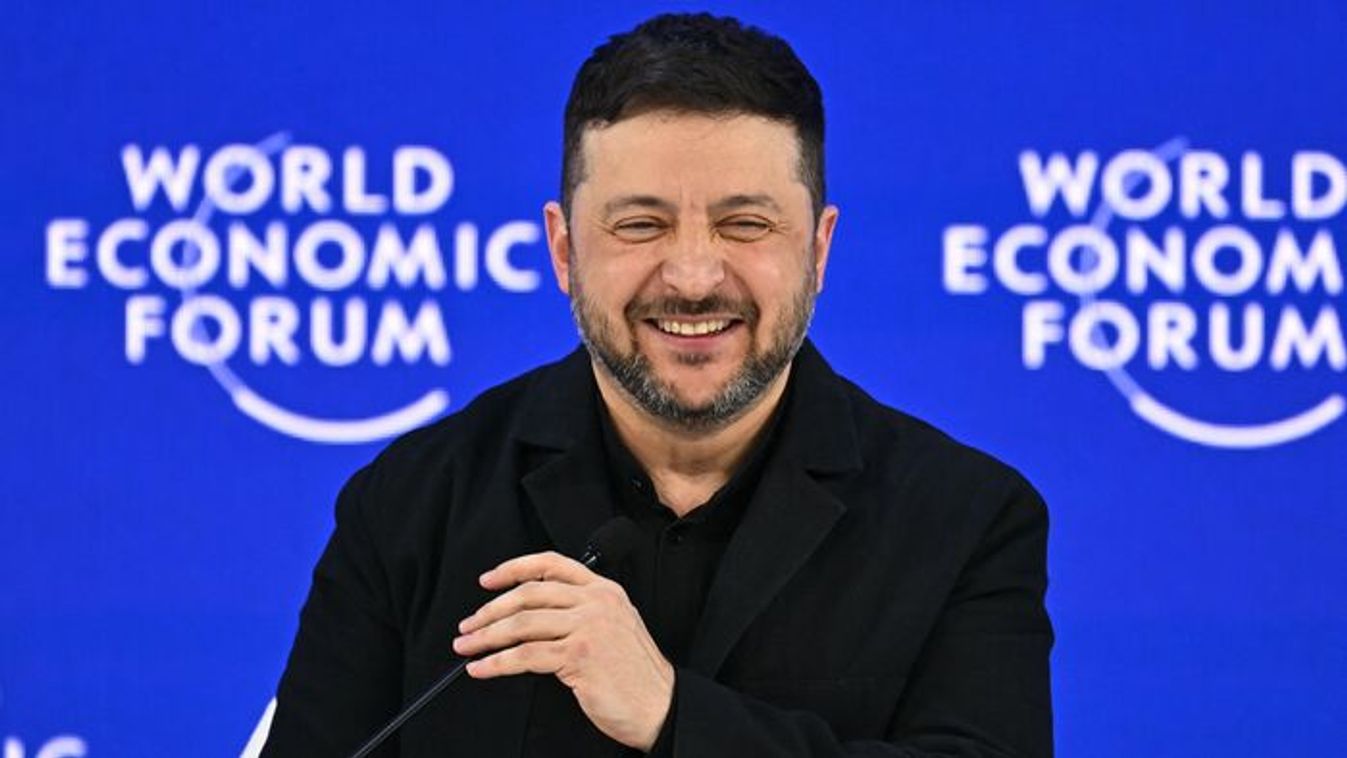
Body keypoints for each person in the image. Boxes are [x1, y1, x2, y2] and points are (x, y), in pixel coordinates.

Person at [263, 12, 1052, 757]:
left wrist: (672, 714)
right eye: (640, 225)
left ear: (817, 250)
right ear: (563, 250)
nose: (693, 276)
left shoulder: (966, 520)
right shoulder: (410, 502)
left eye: (745, 224)